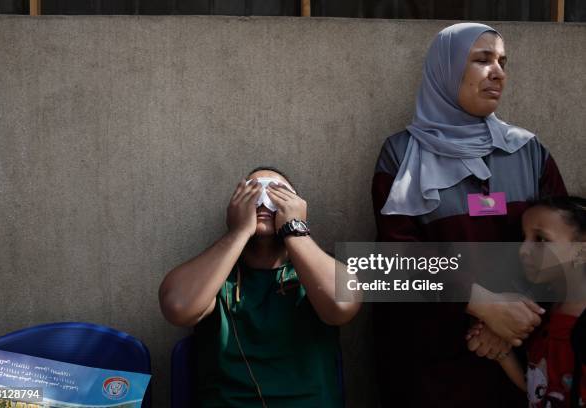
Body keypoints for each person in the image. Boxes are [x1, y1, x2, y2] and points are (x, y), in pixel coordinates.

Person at [371, 23, 567, 406]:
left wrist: (506, 327)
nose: (498, 72)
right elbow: (394, 261)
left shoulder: (528, 151)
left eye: (502, 62)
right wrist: (483, 305)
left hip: (516, 353)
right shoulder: (400, 155)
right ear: (446, 69)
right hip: (430, 363)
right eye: (482, 60)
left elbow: (567, 249)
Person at [159, 166, 360, 408]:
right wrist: (238, 231)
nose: (264, 200)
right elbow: (177, 307)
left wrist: (294, 230)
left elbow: (342, 305)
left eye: (278, 192)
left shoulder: (317, 269)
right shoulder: (217, 277)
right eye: (253, 192)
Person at [467, 196, 586, 407]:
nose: (523, 250)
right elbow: (537, 388)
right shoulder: (540, 312)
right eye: (523, 238)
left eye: (540, 239)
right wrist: (502, 352)